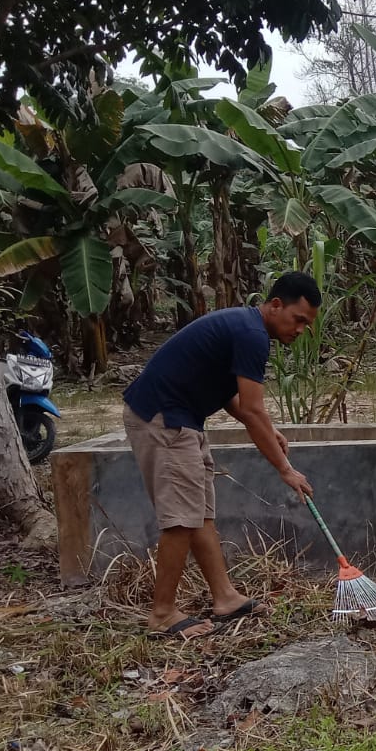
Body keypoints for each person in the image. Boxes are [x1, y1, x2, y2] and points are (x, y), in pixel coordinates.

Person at [122, 272, 320, 638]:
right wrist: (285, 469)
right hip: (163, 418)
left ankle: (225, 597)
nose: (301, 330)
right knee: (181, 519)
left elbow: (240, 402)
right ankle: (162, 613)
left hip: (182, 418)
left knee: (200, 514)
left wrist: (259, 421)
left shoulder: (246, 327)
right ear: (276, 305)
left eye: (307, 324)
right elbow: (254, 410)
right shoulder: (252, 335)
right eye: (299, 320)